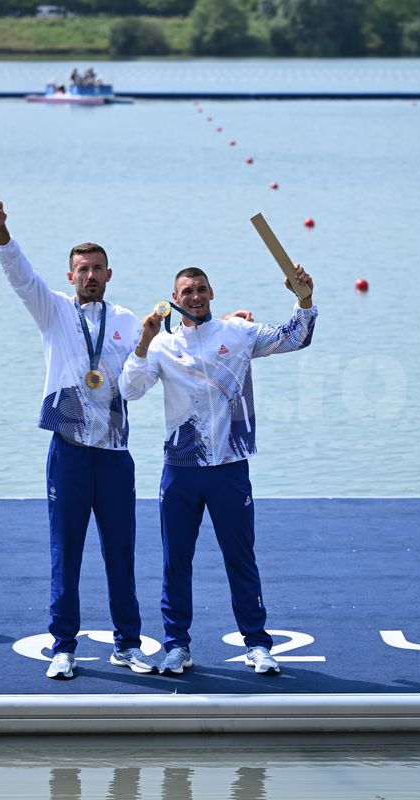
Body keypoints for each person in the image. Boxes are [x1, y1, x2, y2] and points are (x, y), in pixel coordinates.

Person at [0, 198, 153, 680]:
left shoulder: (127, 321)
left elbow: (143, 378)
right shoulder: (53, 310)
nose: (91, 275)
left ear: (110, 273)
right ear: (71, 275)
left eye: (98, 268)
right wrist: (1, 232)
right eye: (83, 269)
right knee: (67, 553)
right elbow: (21, 276)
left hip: (116, 456)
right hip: (69, 455)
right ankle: (64, 647)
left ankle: (127, 645)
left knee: (121, 554)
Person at [118, 265, 317, 675]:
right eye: (187, 291)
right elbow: (129, 391)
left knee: (240, 558)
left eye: (202, 289)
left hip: (229, 466)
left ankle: (258, 645)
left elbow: (296, 336)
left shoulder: (238, 335)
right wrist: (143, 341)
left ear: (212, 294)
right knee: (177, 561)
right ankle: (177, 646)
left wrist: (304, 299)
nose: (195, 296)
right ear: (174, 298)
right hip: (181, 468)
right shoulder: (162, 346)